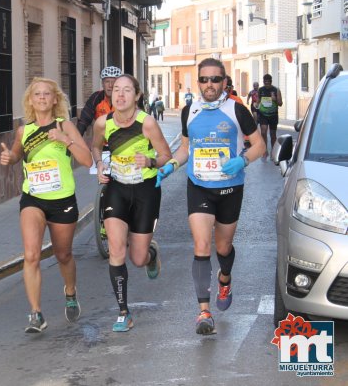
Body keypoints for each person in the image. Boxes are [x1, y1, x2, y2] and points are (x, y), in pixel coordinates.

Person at [155, 58, 265, 335]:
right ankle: (203, 312)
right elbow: (185, 149)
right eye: (204, 79)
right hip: (199, 186)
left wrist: (243, 160)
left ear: (225, 82)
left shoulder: (237, 111)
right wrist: (170, 166)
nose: (209, 85)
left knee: (223, 248)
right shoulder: (189, 111)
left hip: (230, 189)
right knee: (202, 245)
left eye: (215, 79)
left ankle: (224, 279)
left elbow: (260, 145)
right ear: (198, 82)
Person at [0, 77, 92, 333]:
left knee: (63, 254)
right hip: (33, 198)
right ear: (30, 100)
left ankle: (70, 291)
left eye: (46, 94)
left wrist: (65, 140)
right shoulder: (24, 131)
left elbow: (87, 160)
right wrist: (10, 157)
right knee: (31, 254)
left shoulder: (65, 126)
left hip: (62, 199)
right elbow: (18, 154)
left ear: (55, 99)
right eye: (36, 94)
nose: (41, 98)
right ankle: (36, 313)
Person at [91, 74, 172, 332]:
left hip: (145, 190)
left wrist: (149, 162)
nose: (120, 95)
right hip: (116, 188)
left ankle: (151, 255)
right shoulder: (102, 124)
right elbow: (96, 148)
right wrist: (101, 164)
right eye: (116, 90)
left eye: (127, 90)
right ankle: (124, 312)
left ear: (137, 96)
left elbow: (166, 156)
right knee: (116, 249)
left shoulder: (146, 123)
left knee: (137, 258)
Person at [76, 66, 122, 136]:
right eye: (107, 82)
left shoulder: (124, 99)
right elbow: (83, 120)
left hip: (121, 141)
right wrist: (76, 138)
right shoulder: (96, 98)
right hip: (101, 141)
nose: (110, 85)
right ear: (102, 84)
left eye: (114, 82)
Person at [256, 74, 283, 159]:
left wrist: (275, 99)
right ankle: (265, 151)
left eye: (268, 82)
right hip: (263, 114)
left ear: (271, 81)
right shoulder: (260, 90)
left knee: (273, 134)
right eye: (265, 82)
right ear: (263, 82)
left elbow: (280, 103)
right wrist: (256, 104)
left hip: (273, 115)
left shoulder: (276, 90)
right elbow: (258, 101)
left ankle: (273, 152)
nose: (267, 83)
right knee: (263, 132)